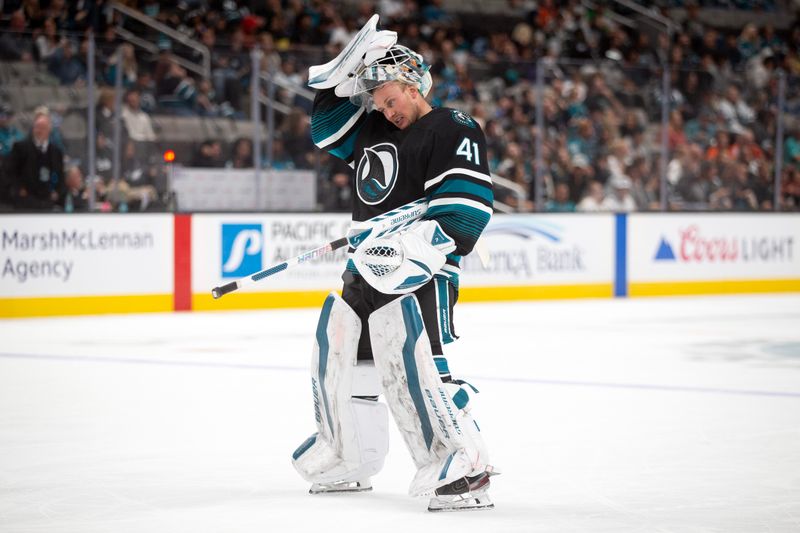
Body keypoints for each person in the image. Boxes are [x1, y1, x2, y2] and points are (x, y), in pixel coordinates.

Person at [291, 15, 496, 512]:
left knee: (419, 362)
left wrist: (415, 250)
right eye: (378, 103)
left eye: (391, 99)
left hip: (418, 271)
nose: (386, 110)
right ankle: (350, 456)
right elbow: (324, 129)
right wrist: (343, 75)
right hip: (364, 270)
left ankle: (465, 463)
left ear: (413, 84)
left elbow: (466, 213)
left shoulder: (451, 126)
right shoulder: (371, 134)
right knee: (342, 356)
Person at [5, 112, 65, 210]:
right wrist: (19, 189)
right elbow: (9, 172)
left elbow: (60, 175)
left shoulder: (56, 152)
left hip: (47, 201)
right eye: (37, 127)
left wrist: (57, 192)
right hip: (25, 201)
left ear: (49, 130)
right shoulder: (20, 148)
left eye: (43, 127)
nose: (39, 130)